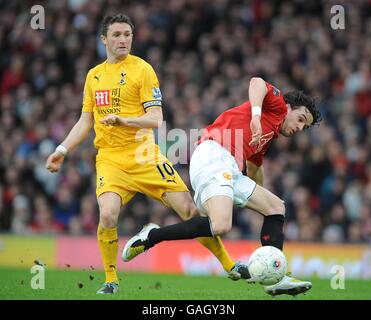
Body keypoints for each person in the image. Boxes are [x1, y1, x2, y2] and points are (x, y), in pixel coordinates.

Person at [45, 14, 247, 294]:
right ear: (104, 39)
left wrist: (124, 120)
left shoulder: (142, 69)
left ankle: (229, 265)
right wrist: (62, 149)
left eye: (127, 34)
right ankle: (111, 279)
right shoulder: (94, 76)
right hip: (111, 160)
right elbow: (85, 121)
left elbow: (155, 118)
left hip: (145, 156)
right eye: (116, 35)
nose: (123, 40)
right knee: (107, 215)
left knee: (190, 211)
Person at [122, 77, 322, 296]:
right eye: (300, 119)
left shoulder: (267, 135)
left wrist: (258, 203)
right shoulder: (276, 106)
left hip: (231, 168)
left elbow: (254, 169)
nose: (299, 127)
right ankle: (152, 236)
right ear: (290, 107)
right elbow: (257, 82)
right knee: (221, 226)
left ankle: (275, 278)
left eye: (304, 126)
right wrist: (256, 116)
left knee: (275, 207)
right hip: (214, 153)